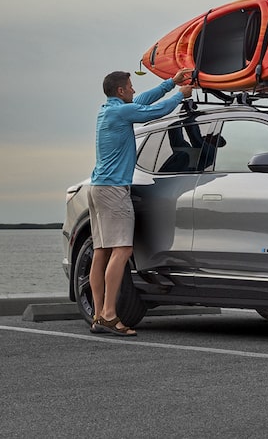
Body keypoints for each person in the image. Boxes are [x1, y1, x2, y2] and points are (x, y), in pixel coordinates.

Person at [89, 67, 194, 336]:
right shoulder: (121, 112)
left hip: (98, 188)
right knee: (122, 250)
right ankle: (111, 315)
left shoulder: (109, 110)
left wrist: (171, 82)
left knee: (101, 251)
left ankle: (99, 314)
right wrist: (180, 95)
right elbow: (154, 112)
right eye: (131, 86)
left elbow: (143, 101)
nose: (134, 90)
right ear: (121, 90)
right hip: (114, 190)